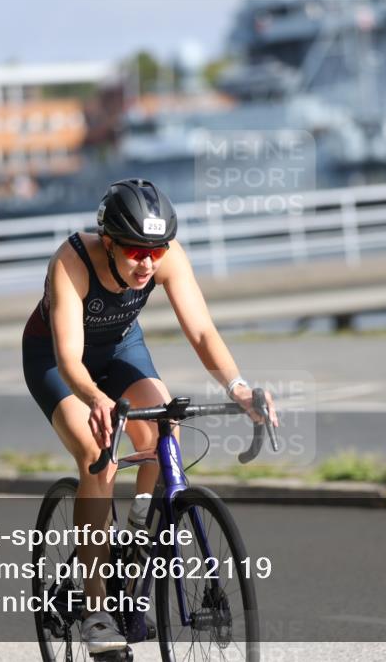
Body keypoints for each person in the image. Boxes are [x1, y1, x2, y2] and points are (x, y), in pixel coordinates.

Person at [22, 178, 279, 653]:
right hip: (57, 361)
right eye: (137, 252)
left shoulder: (166, 257)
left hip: (121, 348)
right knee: (98, 455)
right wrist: (94, 398)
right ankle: (96, 613)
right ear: (110, 243)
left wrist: (238, 387)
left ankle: (140, 532)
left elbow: (201, 331)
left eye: (156, 252)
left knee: (165, 426)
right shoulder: (72, 261)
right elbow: (70, 359)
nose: (148, 263)